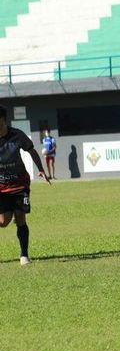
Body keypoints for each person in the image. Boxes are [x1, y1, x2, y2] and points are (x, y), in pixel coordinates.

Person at [0, 105, 51, 265]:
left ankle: (24, 255)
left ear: (3, 120)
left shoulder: (17, 135)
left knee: (20, 218)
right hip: (1, 187)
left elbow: (31, 150)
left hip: (20, 184)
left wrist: (41, 169)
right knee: (3, 222)